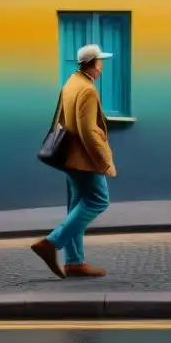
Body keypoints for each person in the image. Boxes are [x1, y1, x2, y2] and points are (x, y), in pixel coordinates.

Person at [31, 43, 116, 279]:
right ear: (91, 64)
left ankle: (74, 261)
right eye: (100, 63)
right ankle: (51, 242)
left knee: (77, 205)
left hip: (69, 157)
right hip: (85, 158)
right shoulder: (87, 90)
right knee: (99, 201)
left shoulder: (71, 83)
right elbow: (88, 131)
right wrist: (103, 160)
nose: (101, 68)